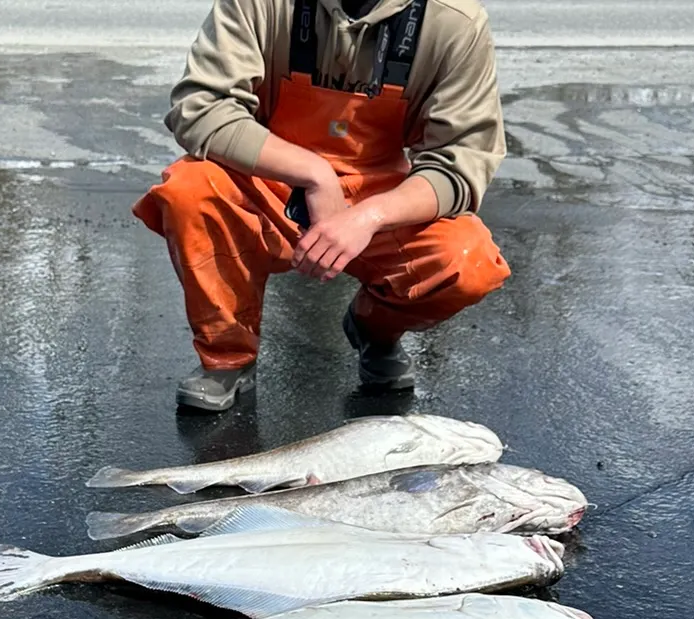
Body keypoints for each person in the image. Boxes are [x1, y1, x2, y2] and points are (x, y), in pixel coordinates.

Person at [133, 0, 510, 411]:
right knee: (190, 188)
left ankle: (375, 329)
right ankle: (228, 356)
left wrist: (369, 216)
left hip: (381, 194)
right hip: (268, 178)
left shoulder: (456, 21)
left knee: (466, 263)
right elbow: (199, 107)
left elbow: (463, 161)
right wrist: (314, 173)